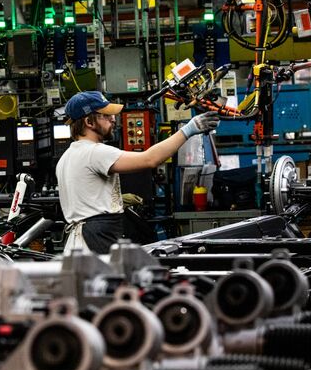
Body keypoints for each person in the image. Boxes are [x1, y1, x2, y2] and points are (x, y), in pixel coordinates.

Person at [56, 90, 220, 254]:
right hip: (94, 242)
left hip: (82, 242)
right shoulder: (94, 152)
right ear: (89, 121)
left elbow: (87, 198)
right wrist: (188, 130)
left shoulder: (67, 157)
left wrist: (115, 202)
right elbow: (150, 159)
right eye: (106, 115)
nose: (113, 119)